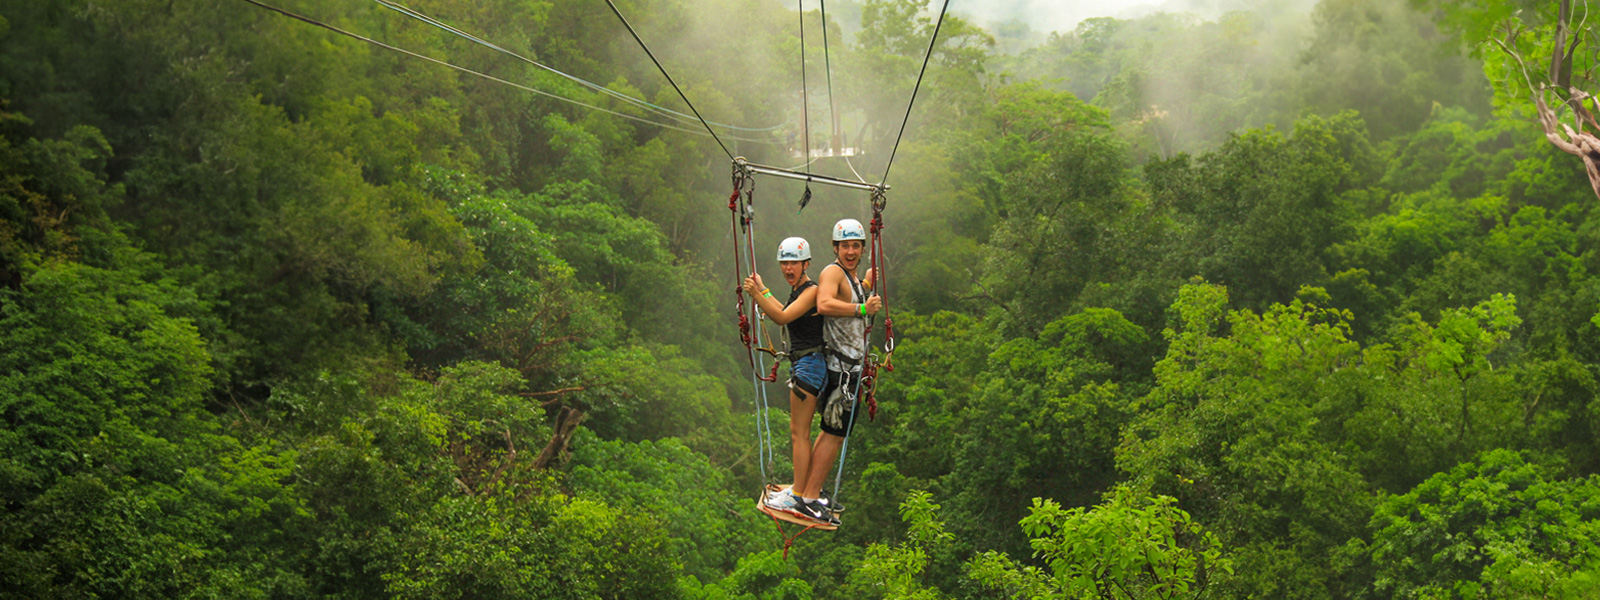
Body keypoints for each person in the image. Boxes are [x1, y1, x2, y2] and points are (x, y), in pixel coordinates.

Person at [742, 237, 832, 524]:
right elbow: (786, 310)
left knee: (799, 433)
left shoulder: (812, 290)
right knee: (799, 432)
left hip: (809, 367)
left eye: (794, 263)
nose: (789, 268)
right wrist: (764, 289)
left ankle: (798, 495)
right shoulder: (799, 291)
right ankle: (800, 491)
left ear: (806, 264)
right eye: (785, 263)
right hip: (808, 365)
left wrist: (756, 295)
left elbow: (781, 317)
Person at [799, 218, 880, 525]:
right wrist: (863, 309)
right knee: (835, 434)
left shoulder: (851, 278)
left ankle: (810, 491)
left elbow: (848, 295)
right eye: (845, 246)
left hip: (849, 369)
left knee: (832, 432)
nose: (850, 251)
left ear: (861, 250)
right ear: (835, 248)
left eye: (855, 246)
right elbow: (824, 303)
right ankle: (808, 497)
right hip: (842, 369)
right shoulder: (832, 272)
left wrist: (867, 285)